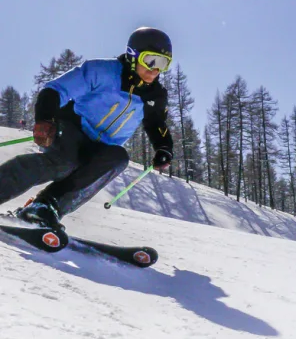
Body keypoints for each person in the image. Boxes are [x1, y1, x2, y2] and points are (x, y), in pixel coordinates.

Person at [0, 27, 174, 230]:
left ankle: (45, 206)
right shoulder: (102, 72)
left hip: (103, 146)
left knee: (118, 159)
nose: (155, 70)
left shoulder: (156, 96)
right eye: (151, 61)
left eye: (163, 64)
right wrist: (45, 118)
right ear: (133, 56)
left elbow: (156, 124)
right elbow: (55, 89)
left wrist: (164, 147)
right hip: (73, 127)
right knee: (64, 162)